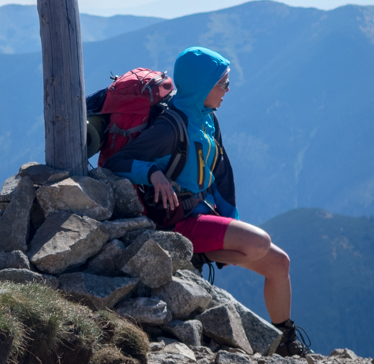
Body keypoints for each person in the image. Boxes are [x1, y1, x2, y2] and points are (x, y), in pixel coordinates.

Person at [104, 46, 311, 358]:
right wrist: (152, 174)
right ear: (203, 86)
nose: (228, 90)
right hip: (176, 221)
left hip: (202, 212)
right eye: (223, 83)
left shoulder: (208, 121)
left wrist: (232, 220)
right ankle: (195, 256)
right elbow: (115, 163)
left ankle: (284, 338)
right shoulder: (170, 127)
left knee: (280, 263)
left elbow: (221, 175)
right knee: (259, 243)